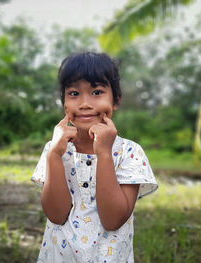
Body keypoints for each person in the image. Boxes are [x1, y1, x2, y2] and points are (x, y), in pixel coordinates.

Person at [31, 52, 158, 263]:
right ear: (63, 101)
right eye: (74, 93)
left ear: (115, 100)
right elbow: (56, 214)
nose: (84, 103)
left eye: (97, 92)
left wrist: (104, 154)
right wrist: (54, 155)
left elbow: (113, 220)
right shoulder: (53, 149)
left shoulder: (130, 153)